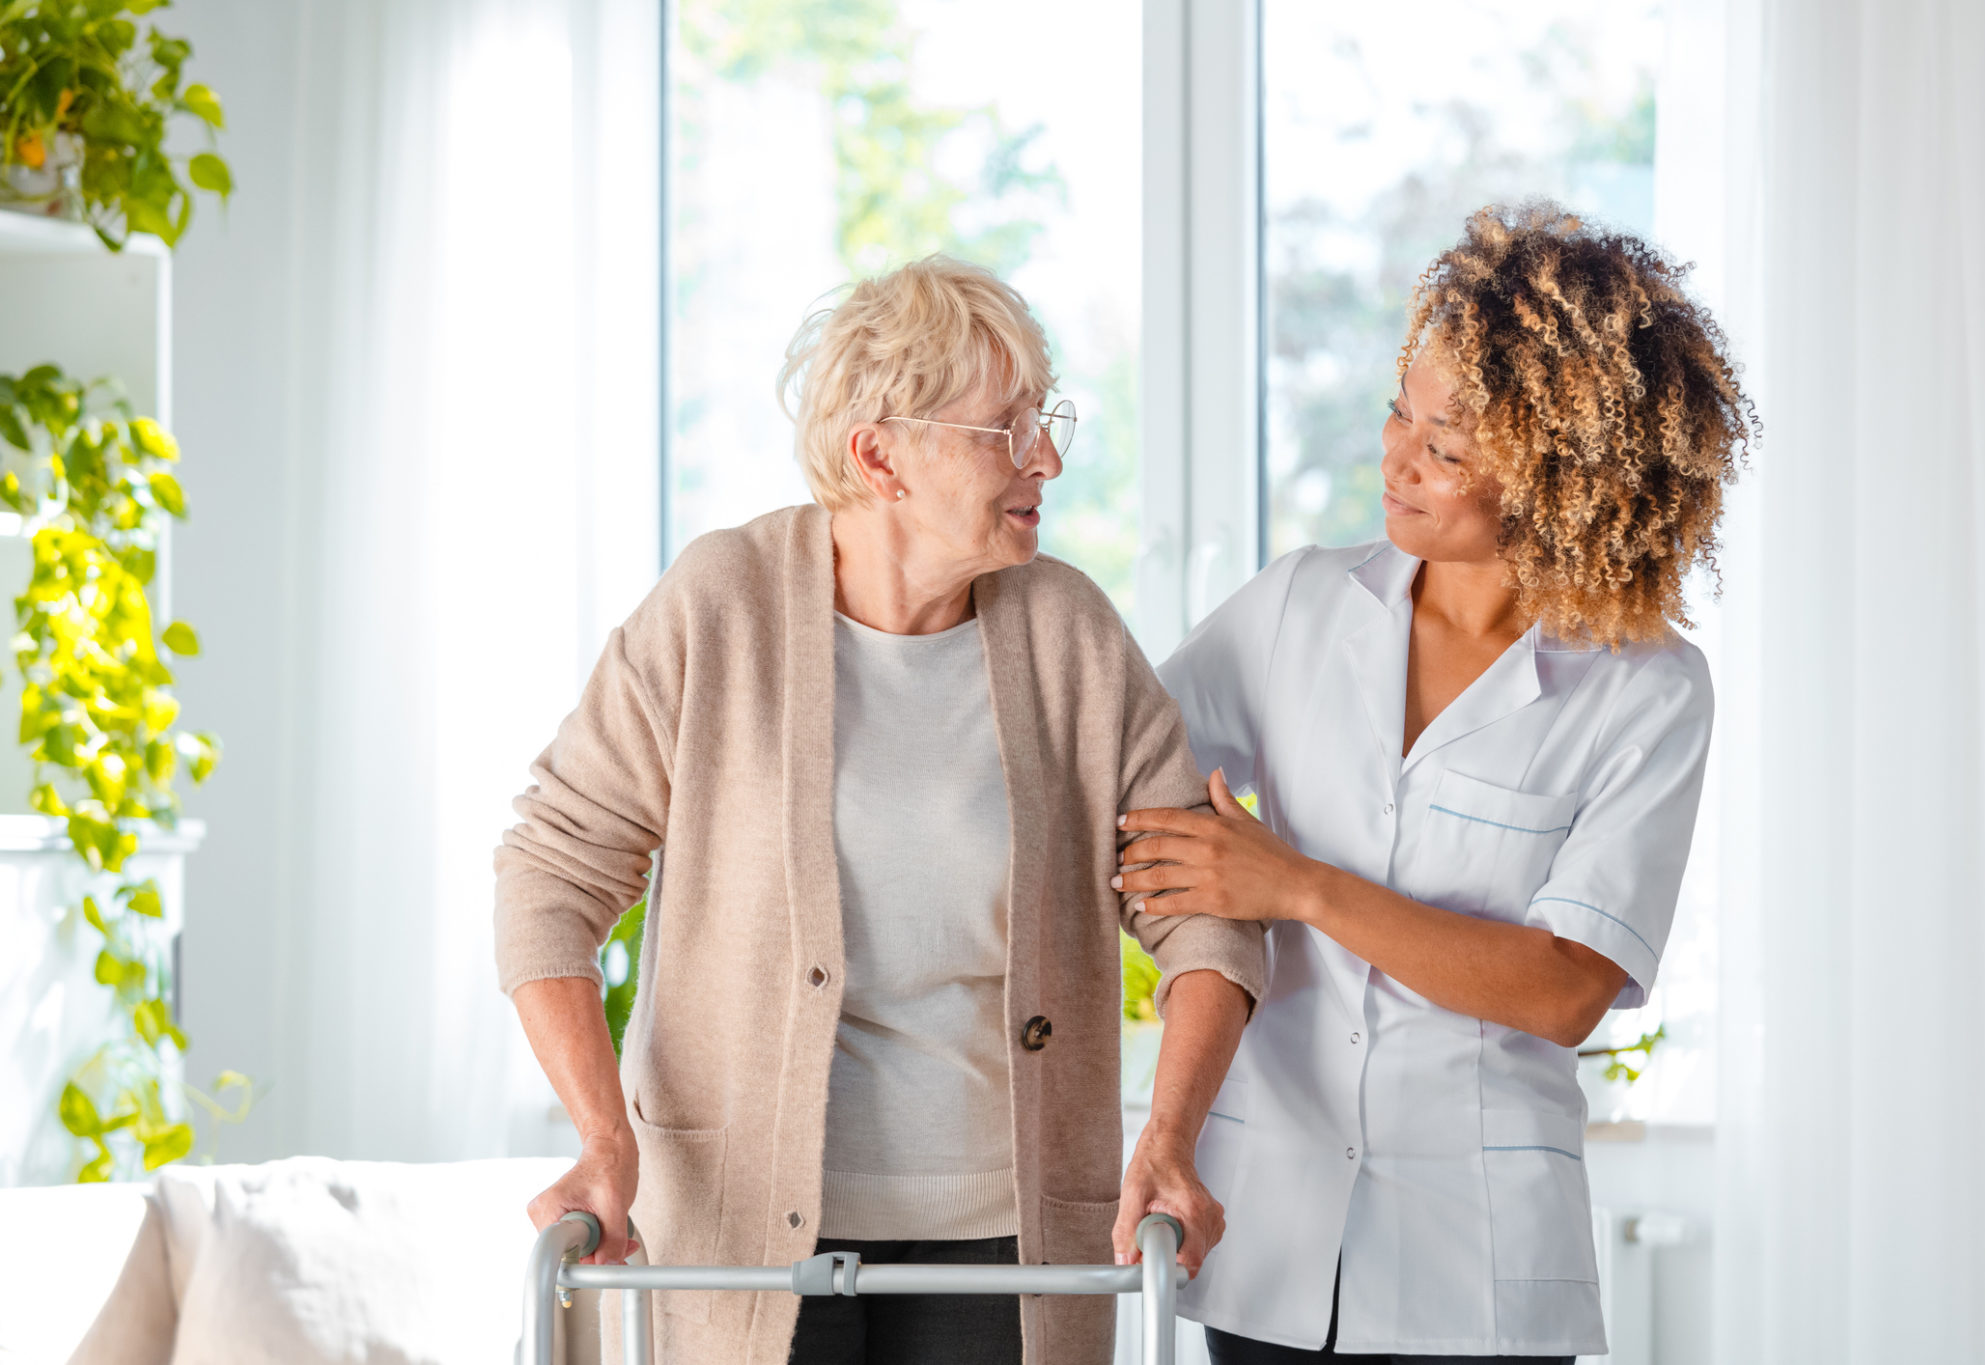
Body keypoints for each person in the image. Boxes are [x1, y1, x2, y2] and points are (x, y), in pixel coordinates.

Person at [494, 255, 1264, 1365]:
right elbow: (548, 873)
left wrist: (1171, 1138)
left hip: (1013, 1245)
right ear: (878, 453)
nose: (1043, 456)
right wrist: (603, 1138)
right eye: (1004, 427)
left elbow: (1209, 909)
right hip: (744, 1235)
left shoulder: (1067, 635)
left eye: (1045, 421)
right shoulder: (720, 608)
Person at [1116, 203, 1753, 1362]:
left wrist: (1298, 887)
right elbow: (1114, 770)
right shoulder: (1299, 604)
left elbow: (1561, 988)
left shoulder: (1647, 690)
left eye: (1446, 447)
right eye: (1397, 415)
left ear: (1567, 476)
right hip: (1269, 1235)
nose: (1396, 460)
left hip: (1479, 1264)